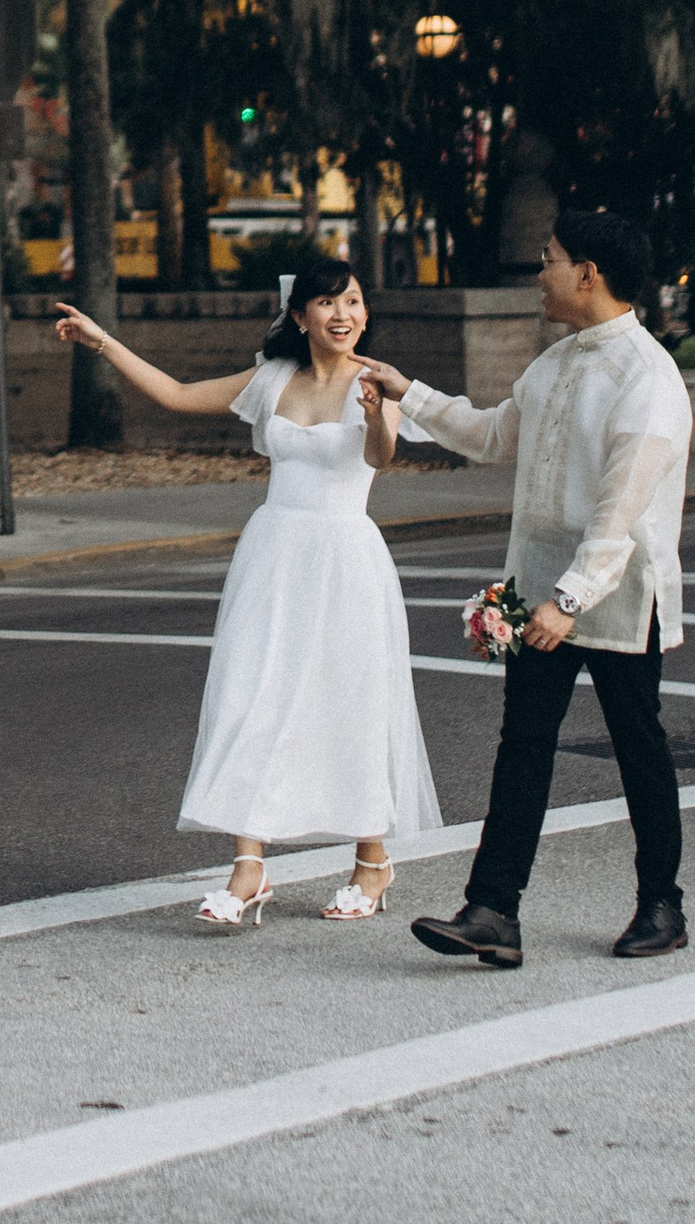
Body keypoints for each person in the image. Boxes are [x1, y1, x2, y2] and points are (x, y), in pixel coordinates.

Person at [54, 267, 443, 924]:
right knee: (251, 693)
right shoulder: (271, 380)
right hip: (273, 556)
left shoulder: (377, 381)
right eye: (326, 302)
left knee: (350, 699)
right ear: (300, 316)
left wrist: (379, 417)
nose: (341, 313)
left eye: (352, 301)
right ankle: (248, 868)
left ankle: (372, 863)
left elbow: (380, 458)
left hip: (346, 559)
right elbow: (177, 395)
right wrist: (101, 341)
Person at [362, 205, 692, 972]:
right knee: (524, 747)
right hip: (537, 584)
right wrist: (407, 392)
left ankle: (662, 904)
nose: (538, 274)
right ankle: (493, 911)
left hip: (615, 592)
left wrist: (568, 602)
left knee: (638, 744)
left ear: (588, 273)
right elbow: (489, 435)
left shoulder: (648, 379)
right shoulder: (555, 362)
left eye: (548, 259)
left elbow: (622, 513)